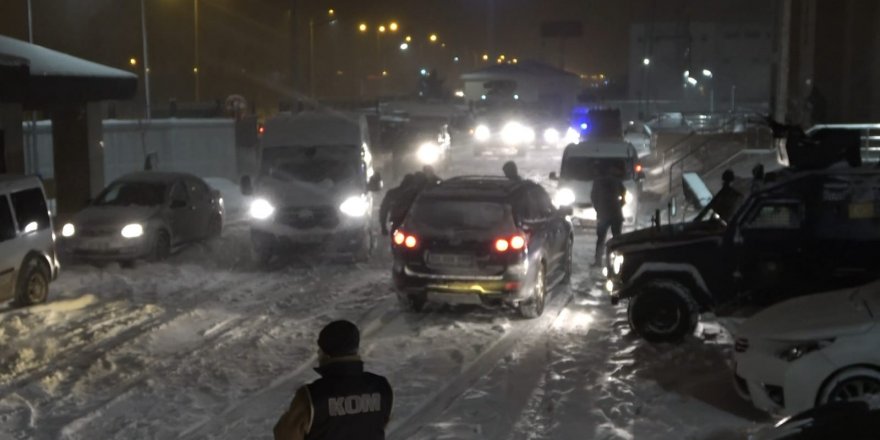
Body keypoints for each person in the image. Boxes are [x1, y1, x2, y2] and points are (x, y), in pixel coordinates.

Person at [274, 320, 393, 440]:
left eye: (320, 350)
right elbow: (380, 423)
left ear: (326, 354)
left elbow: (285, 435)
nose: (318, 353)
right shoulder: (382, 388)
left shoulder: (312, 396)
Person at [591, 164, 626, 267]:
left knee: (600, 239)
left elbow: (593, 198)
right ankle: (619, 261)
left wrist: (598, 209)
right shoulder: (616, 181)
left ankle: (598, 261)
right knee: (617, 238)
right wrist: (621, 204)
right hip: (616, 213)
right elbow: (624, 192)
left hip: (603, 214)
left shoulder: (597, 182)